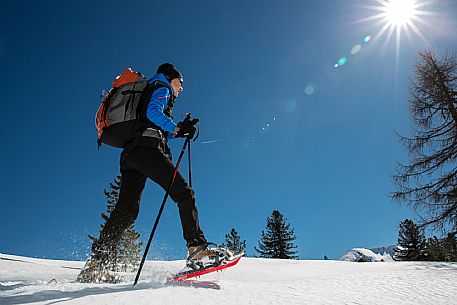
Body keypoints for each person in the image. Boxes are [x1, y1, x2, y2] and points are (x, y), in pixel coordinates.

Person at [79, 63, 214, 282]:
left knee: (126, 210)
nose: (181, 89)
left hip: (131, 154)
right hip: (146, 150)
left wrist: (176, 131)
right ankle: (196, 247)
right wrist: (177, 128)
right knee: (184, 193)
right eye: (180, 83)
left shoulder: (148, 89)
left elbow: (151, 124)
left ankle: (97, 263)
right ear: (171, 78)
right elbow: (153, 113)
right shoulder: (162, 87)